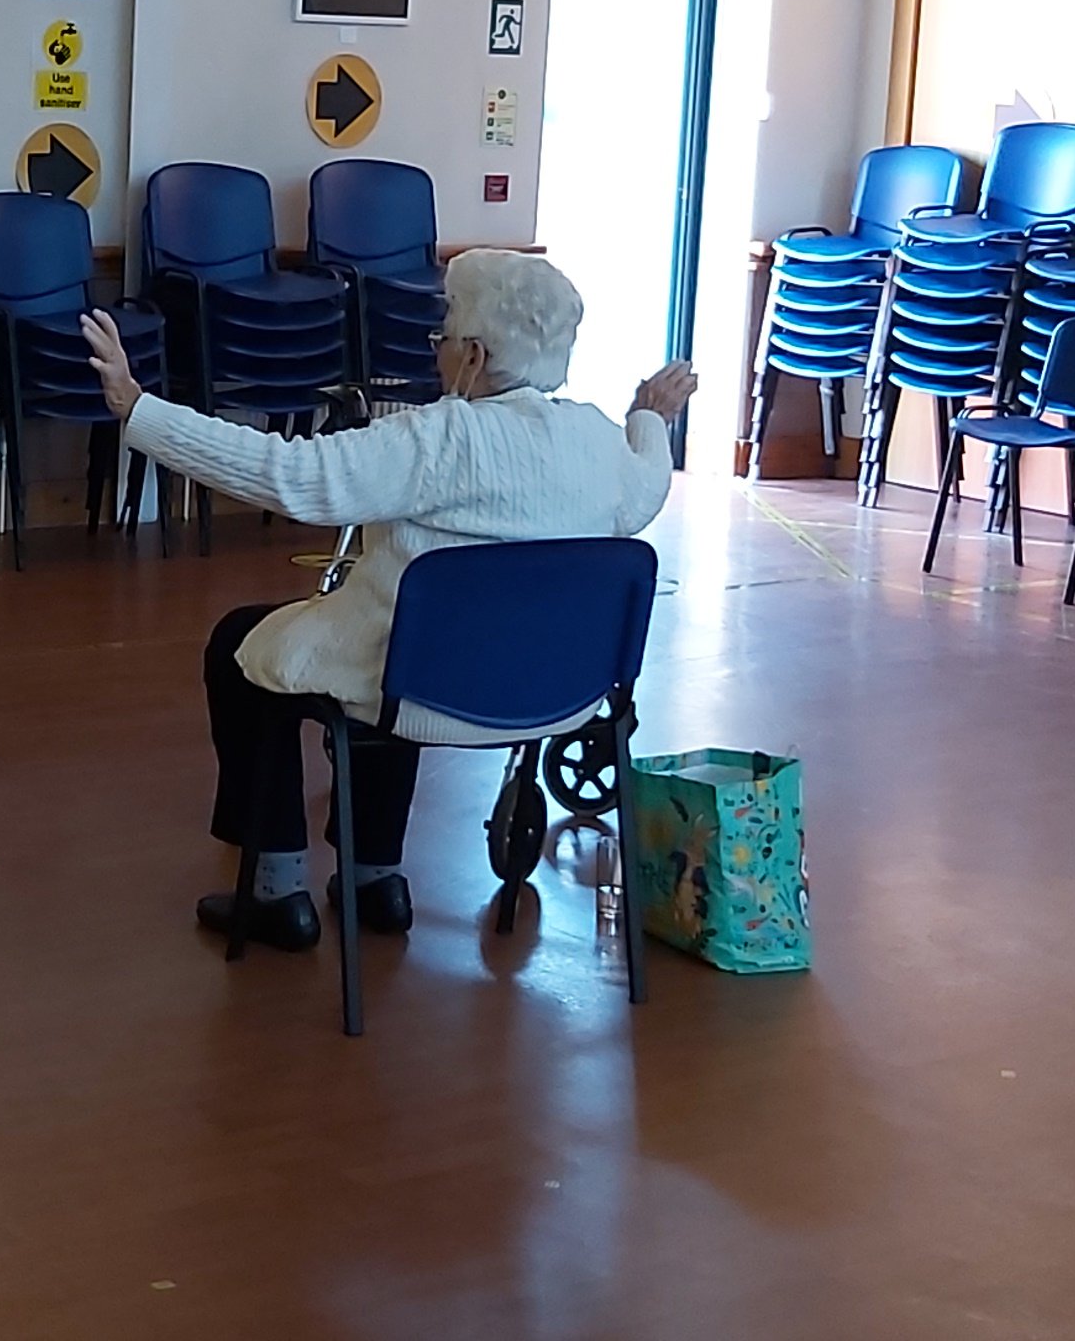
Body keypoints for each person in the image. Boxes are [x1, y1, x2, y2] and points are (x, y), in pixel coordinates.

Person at [80, 249, 691, 951]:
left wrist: (140, 410)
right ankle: (377, 877)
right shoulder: (597, 441)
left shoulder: (435, 440)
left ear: (473, 354)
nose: (435, 352)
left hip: (425, 688)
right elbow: (645, 492)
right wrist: (648, 415)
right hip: (556, 695)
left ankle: (277, 887)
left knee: (246, 646)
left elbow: (290, 476)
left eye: (443, 338)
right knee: (403, 651)